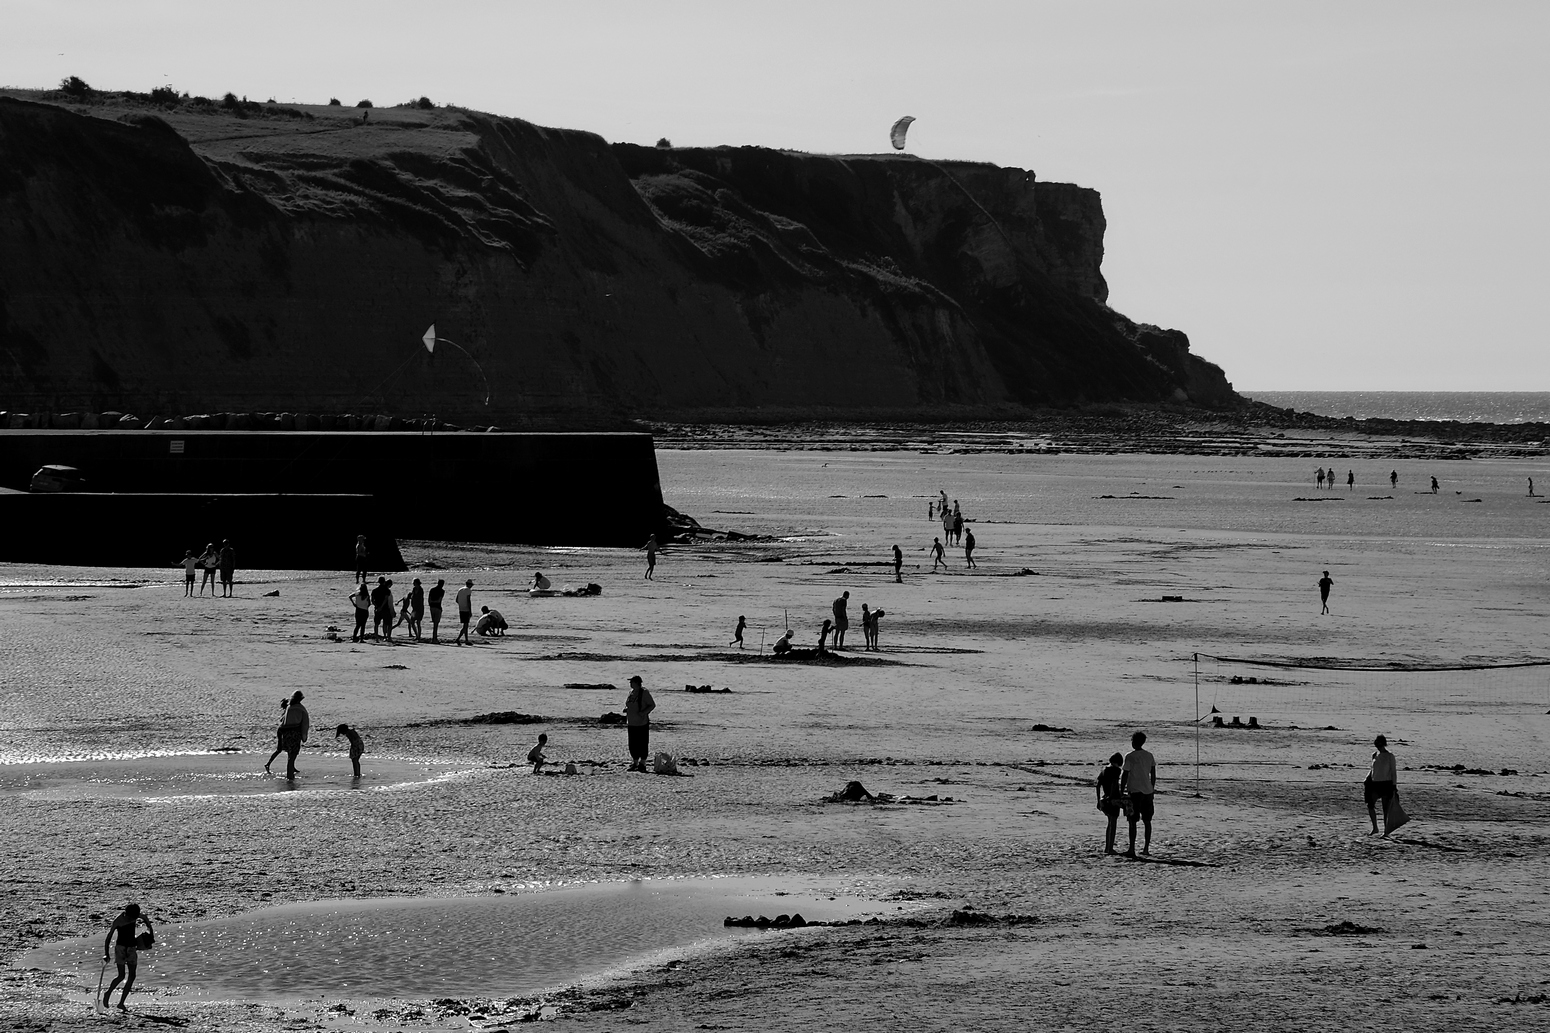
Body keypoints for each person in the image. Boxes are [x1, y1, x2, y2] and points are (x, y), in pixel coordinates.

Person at [101, 903, 153, 1011]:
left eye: (134, 918)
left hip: (132, 948)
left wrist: (150, 931)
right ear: (127, 914)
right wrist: (106, 953)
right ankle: (108, 994)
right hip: (120, 949)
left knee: (132, 975)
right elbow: (108, 938)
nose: (132, 919)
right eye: (131, 918)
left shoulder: (135, 915)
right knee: (121, 976)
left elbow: (145, 918)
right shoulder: (118, 921)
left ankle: (121, 1003)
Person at [1120, 731, 1157, 858]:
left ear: (1134, 741)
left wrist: (1121, 790)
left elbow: (1125, 774)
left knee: (1132, 820)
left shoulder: (1130, 756)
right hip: (1147, 791)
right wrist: (1152, 788)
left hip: (1135, 791)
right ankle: (1146, 848)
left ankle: (1132, 848)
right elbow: (1153, 774)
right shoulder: (1149, 755)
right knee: (1147, 821)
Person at [1365, 734, 1398, 836]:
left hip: (1386, 784)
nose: (1378, 746)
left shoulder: (1390, 756)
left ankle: (1386, 831)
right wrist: (1367, 778)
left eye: (1380, 744)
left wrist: (1394, 786)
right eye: (1377, 744)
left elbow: (1393, 772)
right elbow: (1373, 769)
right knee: (1370, 804)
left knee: (1386, 809)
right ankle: (1375, 828)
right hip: (1375, 784)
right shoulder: (1374, 755)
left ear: (1384, 744)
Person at [623, 675, 655, 771]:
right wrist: (627, 709)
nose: (630, 684)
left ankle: (643, 763)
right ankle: (635, 762)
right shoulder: (631, 693)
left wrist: (643, 712)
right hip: (631, 722)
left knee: (643, 743)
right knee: (632, 744)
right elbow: (630, 704)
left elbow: (652, 705)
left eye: (632, 682)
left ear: (637, 683)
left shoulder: (644, 692)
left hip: (642, 723)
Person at [1096, 752, 1124, 855]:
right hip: (1112, 799)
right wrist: (1114, 797)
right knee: (1113, 824)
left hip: (1104, 798)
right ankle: (1110, 848)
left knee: (1110, 823)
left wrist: (1098, 800)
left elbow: (1098, 786)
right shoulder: (1116, 770)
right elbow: (1114, 784)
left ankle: (1107, 847)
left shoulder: (1104, 770)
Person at [280, 691, 309, 780]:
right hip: (296, 734)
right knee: (293, 756)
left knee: (290, 756)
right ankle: (290, 777)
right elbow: (305, 724)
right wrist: (304, 737)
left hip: (286, 733)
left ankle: (290, 776)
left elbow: (283, 722)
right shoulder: (301, 709)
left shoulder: (289, 707)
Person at [263, 697, 290, 773]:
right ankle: (268, 764)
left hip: (282, 731)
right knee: (279, 750)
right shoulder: (287, 712)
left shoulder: (286, 711)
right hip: (282, 732)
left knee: (287, 749)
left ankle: (292, 766)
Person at [370, 577, 394, 642]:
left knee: (376, 624)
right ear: (384, 582)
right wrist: (381, 606)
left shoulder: (374, 590)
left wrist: (377, 606)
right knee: (388, 623)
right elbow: (386, 599)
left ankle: (377, 638)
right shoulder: (387, 590)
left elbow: (372, 600)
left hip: (377, 609)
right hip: (385, 609)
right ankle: (388, 637)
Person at [454, 579, 473, 644]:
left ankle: (466, 639)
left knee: (465, 625)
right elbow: (468, 601)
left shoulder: (460, 590)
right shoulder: (468, 590)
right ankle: (458, 638)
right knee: (465, 626)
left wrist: (461, 604)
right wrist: (470, 610)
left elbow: (456, 600)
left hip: (461, 609)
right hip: (466, 609)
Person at [428, 578, 446, 643]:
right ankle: (434, 638)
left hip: (432, 607)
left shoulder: (432, 590)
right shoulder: (442, 591)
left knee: (434, 623)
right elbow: (439, 600)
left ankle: (434, 638)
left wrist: (432, 603)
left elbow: (429, 600)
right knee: (436, 624)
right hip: (438, 607)